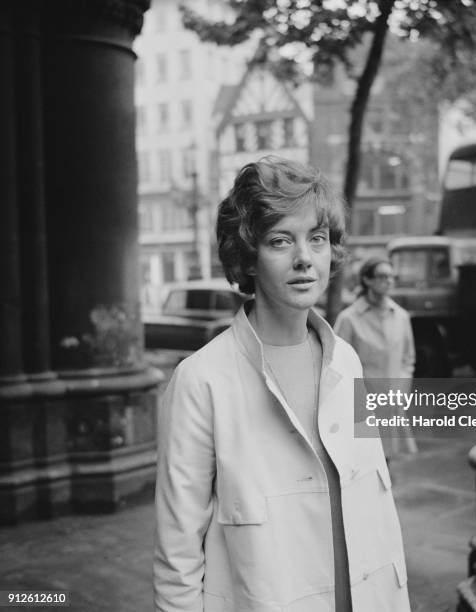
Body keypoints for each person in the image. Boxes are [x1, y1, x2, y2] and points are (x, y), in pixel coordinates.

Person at [153, 157, 410, 612]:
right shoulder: (200, 381)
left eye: (317, 238)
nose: (304, 259)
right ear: (248, 257)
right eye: (279, 240)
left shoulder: (346, 361)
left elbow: (373, 507)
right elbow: (178, 558)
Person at [334, 257, 417, 455]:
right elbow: (336, 362)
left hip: (391, 399)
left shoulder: (401, 316)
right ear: (367, 280)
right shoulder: (349, 318)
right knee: (362, 459)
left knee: (386, 458)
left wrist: (401, 388)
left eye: (391, 277)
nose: (388, 281)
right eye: (382, 276)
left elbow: (408, 358)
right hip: (360, 402)